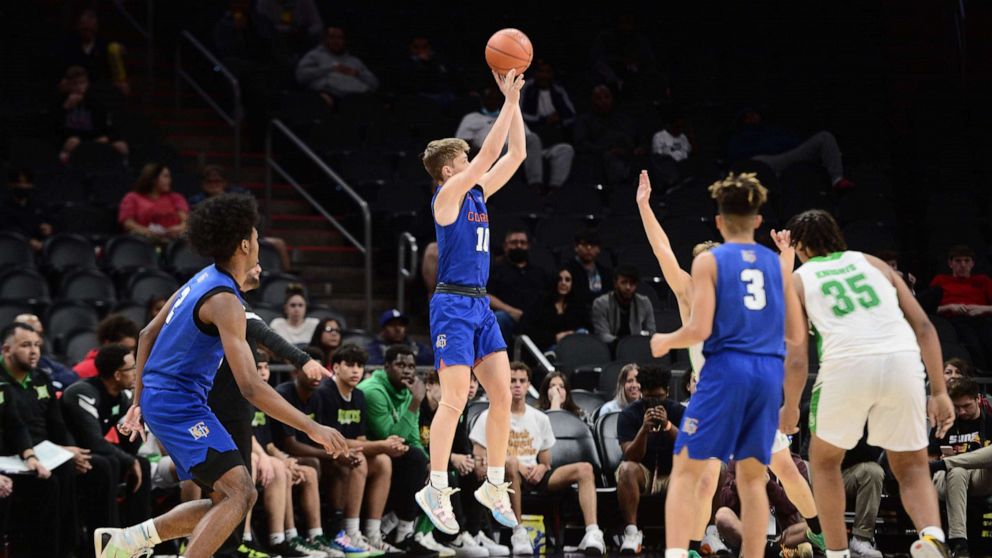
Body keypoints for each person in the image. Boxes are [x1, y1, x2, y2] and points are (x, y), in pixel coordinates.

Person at [96, 194, 348, 558]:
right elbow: (250, 386)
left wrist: (138, 402)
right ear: (245, 244)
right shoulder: (224, 300)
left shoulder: (203, 278)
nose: (260, 245)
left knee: (230, 499)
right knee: (240, 493)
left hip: (168, 400)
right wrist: (314, 428)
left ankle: (125, 542)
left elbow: (147, 333)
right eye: (257, 238)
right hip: (178, 405)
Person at [636, 170, 825, 555]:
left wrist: (668, 340)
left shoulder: (714, 280)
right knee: (723, 478)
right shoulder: (697, 285)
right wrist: (786, 257)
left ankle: (817, 531)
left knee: (708, 474)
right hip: (757, 381)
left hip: (723, 384)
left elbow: (664, 252)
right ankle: (693, 546)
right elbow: (663, 250)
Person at [781, 208, 956, 558]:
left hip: (845, 364)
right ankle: (933, 536)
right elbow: (924, 327)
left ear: (800, 247)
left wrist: (789, 408)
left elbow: (798, 357)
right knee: (912, 465)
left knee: (825, 461)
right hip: (903, 362)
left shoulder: (798, 280)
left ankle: (836, 552)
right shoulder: (874, 263)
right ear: (836, 236)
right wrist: (939, 391)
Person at [415, 69, 526, 535]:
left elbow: (515, 152)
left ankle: (495, 482)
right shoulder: (447, 196)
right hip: (452, 305)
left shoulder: (477, 191)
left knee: (501, 395)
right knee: (456, 398)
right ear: (448, 169)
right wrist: (505, 101)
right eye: (463, 157)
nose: (471, 161)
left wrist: (515, 101)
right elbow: (486, 156)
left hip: (480, 306)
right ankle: (435, 487)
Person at [469, 362, 606, 556]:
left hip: (535, 475)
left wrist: (542, 467)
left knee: (585, 469)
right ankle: (519, 531)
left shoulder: (539, 418)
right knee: (511, 463)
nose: (517, 385)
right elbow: (479, 455)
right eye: (512, 381)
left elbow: (545, 460)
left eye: (522, 381)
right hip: (503, 477)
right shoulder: (489, 415)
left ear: (528, 385)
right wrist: (514, 462)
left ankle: (592, 533)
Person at [356, 346, 443, 556]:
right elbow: (390, 436)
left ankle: (405, 530)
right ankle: (399, 531)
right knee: (414, 460)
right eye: (400, 365)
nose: (407, 371)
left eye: (411, 366)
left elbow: (412, 436)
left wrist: (430, 463)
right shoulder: (373, 391)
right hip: (372, 451)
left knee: (433, 467)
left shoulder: (406, 389)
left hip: (392, 454)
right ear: (386, 367)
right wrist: (415, 403)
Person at [249, 351, 328, 558]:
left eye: (266, 367)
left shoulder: (263, 399)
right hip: (244, 457)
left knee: (307, 472)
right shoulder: (241, 397)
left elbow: (268, 443)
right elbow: (247, 439)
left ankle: (305, 536)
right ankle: (258, 538)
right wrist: (276, 460)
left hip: (264, 456)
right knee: (274, 467)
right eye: (259, 368)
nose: (264, 372)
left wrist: (284, 458)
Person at [62, 345, 152, 527]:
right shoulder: (82, 393)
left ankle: (141, 540)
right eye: (131, 368)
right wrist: (129, 460)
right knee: (110, 463)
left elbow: (131, 442)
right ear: (117, 375)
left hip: (92, 453)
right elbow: (93, 442)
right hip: (69, 454)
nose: (137, 373)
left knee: (142, 463)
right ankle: (108, 539)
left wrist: (137, 416)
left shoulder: (121, 397)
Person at [615, 365, 685, 555]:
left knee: (709, 467)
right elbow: (631, 456)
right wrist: (643, 431)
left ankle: (702, 534)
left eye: (659, 397)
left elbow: (690, 448)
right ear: (641, 393)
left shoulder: (679, 411)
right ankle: (631, 533)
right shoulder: (629, 414)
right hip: (643, 473)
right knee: (627, 469)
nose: (654, 403)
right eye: (649, 398)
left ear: (668, 393)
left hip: (673, 473)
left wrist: (668, 426)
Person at [456, 87, 574, 192]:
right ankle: (535, 188)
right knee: (504, 148)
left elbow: (529, 139)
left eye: (496, 98)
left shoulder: (511, 115)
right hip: (493, 153)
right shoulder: (472, 118)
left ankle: (551, 189)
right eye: (489, 98)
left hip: (518, 151)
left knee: (564, 149)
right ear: (482, 100)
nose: (492, 101)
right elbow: (461, 145)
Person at [928, 377, 992, 558]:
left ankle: (950, 463)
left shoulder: (990, 419)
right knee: (956, 471)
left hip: (981, 479)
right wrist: (940, 461)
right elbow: (929, 463)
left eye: (967, 406)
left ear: (978, 399)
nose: (961, 412)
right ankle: (960, 543)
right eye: (957, 407)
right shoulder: (945, 422)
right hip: (947, 479)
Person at [930, 245, 992, 369]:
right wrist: (950, 307)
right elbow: (927, 309)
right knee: (971, 342)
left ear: (972, 263)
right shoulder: (941, 280)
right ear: (950, 263)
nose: (963, 265)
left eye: (967, 261)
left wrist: (982, 308)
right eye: (958, 261)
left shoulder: (983, 281)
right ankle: (980, 372)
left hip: (982, 319)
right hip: (954, 320)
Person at [487, 227, 553, 342]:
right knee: (499, 318)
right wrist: (512, 312)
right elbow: (486, 295)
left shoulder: (539, 272)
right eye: (514, 242)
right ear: (505, 246)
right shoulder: (496, 270)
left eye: (522, 243)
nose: (519, 246)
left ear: (528, 246)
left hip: (535, 320)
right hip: (510, 317)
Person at [55, 65, 129, 165]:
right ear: (68, 85)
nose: (79, 87)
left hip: (94, 139)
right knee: (72, 142)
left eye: (82, 83)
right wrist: (65, 109)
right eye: (75, 84)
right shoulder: (61, 103)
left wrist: (107, 138)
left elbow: (107, 126)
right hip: (74, 140)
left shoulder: (95, 102)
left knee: (121, 146)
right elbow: (56, 130)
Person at [296, 27, 379, 106]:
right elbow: (301, 76)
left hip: (357, 96)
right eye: (332, 37)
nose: (335, 41)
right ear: (325, 39)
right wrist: (331, 69)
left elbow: (374, 84)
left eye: (339, 38)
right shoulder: (315, 55)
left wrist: (357, 73)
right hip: (329, 96)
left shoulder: (354, 61)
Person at [520, 267, 592, 352]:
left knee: (582, 332)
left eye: (567, 280)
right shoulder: (541, 303)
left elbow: (589, 327)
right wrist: (555, 337)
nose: (563, 283)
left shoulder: (577, 305)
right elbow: (528, 331)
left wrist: (571, 335)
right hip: (547, 348)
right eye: (559, 279)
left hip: (574, 346)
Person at [118, 163, 189, 244]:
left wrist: (179, 228)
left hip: (174, 241)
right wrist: (148, 232)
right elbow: (128, 223)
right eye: (165, 176)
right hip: (144, 241)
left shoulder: (176, 197)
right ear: (153, 179)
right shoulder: (132, 197)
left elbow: (185, 221)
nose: (169, 180)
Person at [841, 432, 885, 558]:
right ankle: (809, 534)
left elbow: (873, 452)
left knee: (873, 471)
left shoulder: (876, 416)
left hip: (851, 473)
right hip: (824, 472)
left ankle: (861, 539)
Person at [590, 264, 655, 346]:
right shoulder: (601, 303)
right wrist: (625, 344)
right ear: (615, 283)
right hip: (610, 348)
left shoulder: (644, 302)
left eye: (632, 283)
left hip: (638, 347)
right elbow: (602, 335)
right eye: (624, 282)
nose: (628, 287)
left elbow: (651, 332)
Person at [0, 169, 54, 251]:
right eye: (20, 183)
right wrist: (28, 240)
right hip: (14, 249)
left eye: (27, 183)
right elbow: (9, 229)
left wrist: (49, 227)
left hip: (42, 247)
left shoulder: (39, 205)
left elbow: (51, 220)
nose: (24, 186)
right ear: (11, 185)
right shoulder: (4, 208)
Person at [73, 314, 140, 379]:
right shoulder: (82, 372)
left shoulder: (137, 370)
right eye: (123, 349)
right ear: (107, 344)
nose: (130, 354)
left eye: (132, 349)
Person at [564, 227, 613, 310]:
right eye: (584, 244)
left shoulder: (606, 273)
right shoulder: (566, 271)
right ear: (576, 247)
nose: (589, 248)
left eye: (593, 245)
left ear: (599, 249)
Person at [366, 309, 433, 366]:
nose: (398, 329)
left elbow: (431, 358)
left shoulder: (416, 346)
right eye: (392, 325)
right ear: (383, 329)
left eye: (401, 325)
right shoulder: (374, 347)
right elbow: (372, 362)